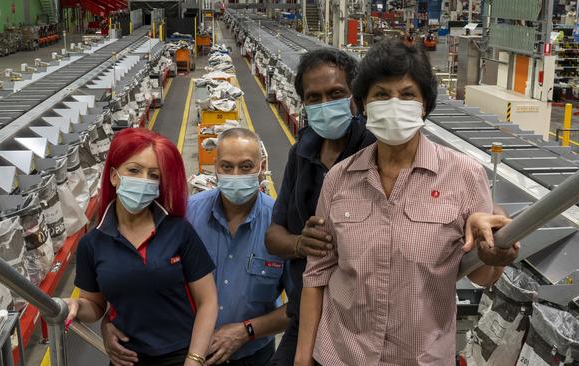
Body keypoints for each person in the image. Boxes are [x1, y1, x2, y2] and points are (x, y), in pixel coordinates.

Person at [295, 40, 520, 366]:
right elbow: (317, 276)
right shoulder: (339, 179)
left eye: (407, 94)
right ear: (362, 105)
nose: (394, 104)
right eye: (381, 95)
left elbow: (482, 277)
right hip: (341, 355)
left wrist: (492, 253)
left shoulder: (464, 175)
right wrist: (302, 361)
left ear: (425, 105)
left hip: (420, 358)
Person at [101, 128, 289, 366]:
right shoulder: (187, 216)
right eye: (226, 166)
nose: (235, 174)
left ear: (260, 167)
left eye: (246, 166)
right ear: (215, 167)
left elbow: (300, 304)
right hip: (187, 354)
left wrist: (246, 331)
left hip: (253, 355)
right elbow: (142, 273)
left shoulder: (281, 224)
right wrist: (110, 320)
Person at [64, 128, 218, 366]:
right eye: (134, 170)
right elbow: (94, 305)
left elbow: (207, 302)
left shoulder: (179, 231)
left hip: (181, 355)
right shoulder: (92, 244)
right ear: (114, 176)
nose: (143, 180)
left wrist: (195, 359)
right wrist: (74, 305)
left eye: (153, 175)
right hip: (127, 358)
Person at [265, 48, 376, 366]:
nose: (326, 104)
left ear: (354, 98)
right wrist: (301, 244)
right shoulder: (301, 153)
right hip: (303, 314)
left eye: (336, 93)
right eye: (314, 98)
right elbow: (274, 235)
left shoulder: (375, 151)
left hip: (357, 324)